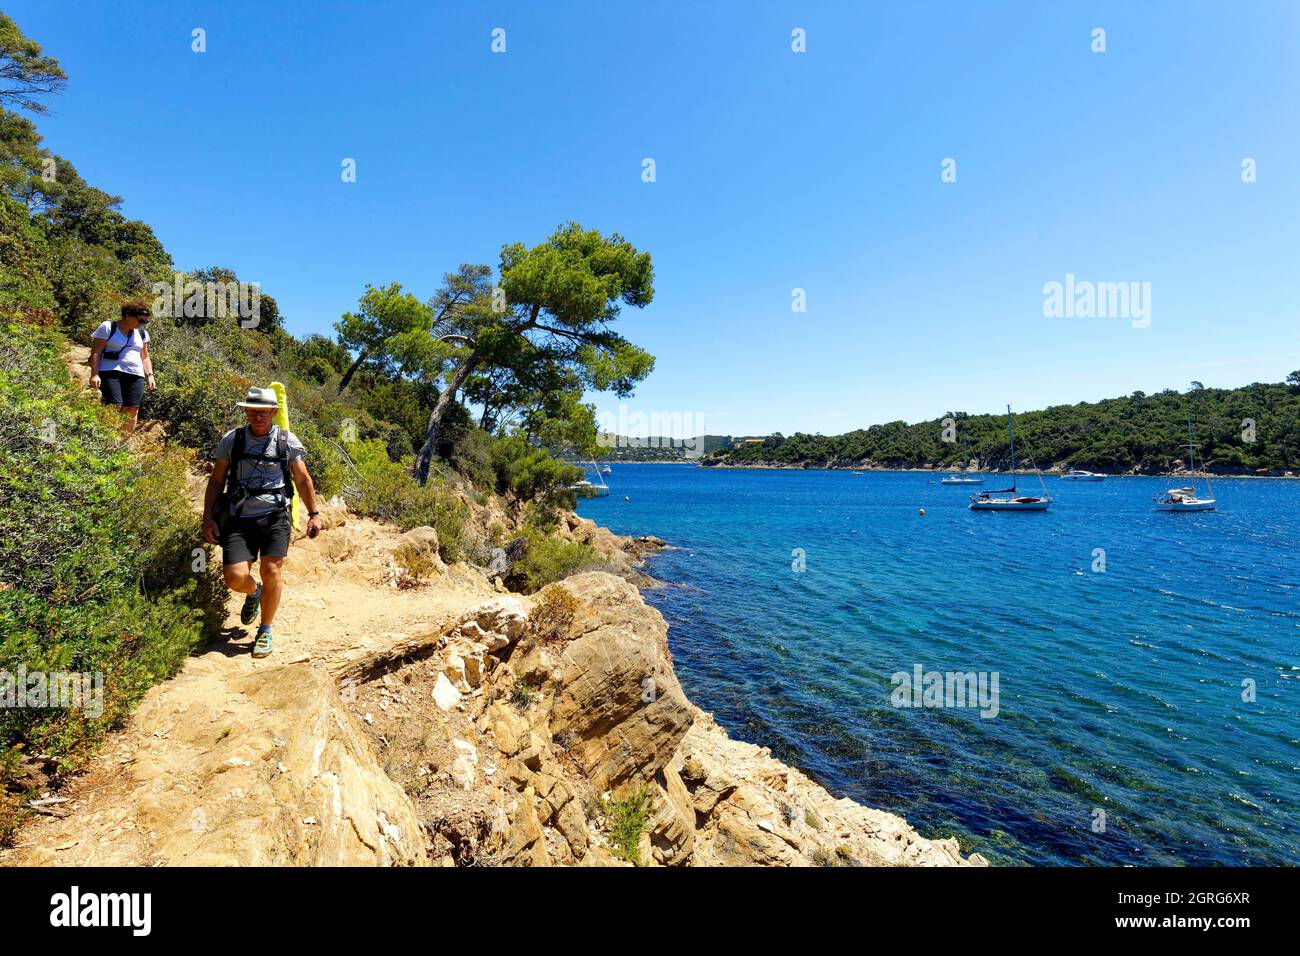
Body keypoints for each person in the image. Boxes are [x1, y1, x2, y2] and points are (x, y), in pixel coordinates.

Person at [202, 387, 323, 658]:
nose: (258, 415)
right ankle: (254, 592)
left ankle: (265, 629)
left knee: (272, 572)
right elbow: (217, 480)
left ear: (273, 412)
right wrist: (207, 517)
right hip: (238, 517)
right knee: (235, 577)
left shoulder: (287, 441)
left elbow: (303, 480)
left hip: (275, 517)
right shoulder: (231, 440)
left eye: (264, 411)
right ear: (246, 410)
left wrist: (314, 513)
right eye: (253, 410)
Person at [89, 300, 156, 434]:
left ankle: (124, 444)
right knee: (114, 405)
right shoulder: (108, 327)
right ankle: (104, 438)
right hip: (110, 370)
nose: (142, 324)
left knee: (132, 408)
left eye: (145, 322)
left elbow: (145, 356)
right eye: (140, 320)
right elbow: (96, 351)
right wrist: (94, 374)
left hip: (135, 373)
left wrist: (150, 375)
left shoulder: (142, 334)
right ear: (127, 315)